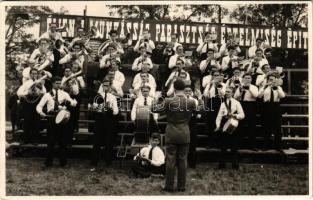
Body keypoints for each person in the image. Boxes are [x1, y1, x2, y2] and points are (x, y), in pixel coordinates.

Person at [153, 80, 197, 192]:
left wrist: (156, 98)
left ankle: (169, 185)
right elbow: (201, 110)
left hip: (172, 133)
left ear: (174, 88)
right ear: (184, 88)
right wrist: (200, 98)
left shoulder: (168, 101)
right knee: (183, 160)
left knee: (170, 161)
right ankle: (181, 186)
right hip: (185, 133)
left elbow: (154, 109)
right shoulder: (191, 102)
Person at [36, 76, 77, 168]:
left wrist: (72, 103)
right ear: (53, 83)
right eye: (57, 83)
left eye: (59, 83)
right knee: (51, 141)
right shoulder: (47, 95)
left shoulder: (64, 94)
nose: (58, 85)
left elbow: (73, 103)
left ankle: (63, 162)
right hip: (51, 119)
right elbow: (39, 106)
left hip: (62, 119)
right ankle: (48, 163)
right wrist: (41, 112)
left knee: (63, 142)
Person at [89, 79, 119, 171]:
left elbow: (116, 111)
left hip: (109, 120)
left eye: (107, 85)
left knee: (108, 142)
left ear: (110, 87)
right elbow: (92, 107)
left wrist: (111, 109)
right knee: (96, 142)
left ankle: (108, 162)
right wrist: (96, 107)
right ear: (102, 86)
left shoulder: (113, 97)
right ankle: (94, 163)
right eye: (104, 85)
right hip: (99, 120)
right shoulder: (97, 96)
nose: (105, 87)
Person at [215, 86, 245, 169]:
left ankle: (235, 165)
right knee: (223, 145)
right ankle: (222, 165)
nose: (227, 93)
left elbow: (242, 115)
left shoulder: (237, 103)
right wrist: (218, 126)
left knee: (234, 146)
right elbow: (219, 116)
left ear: (232, 93)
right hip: (225, 124)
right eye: (226, 92)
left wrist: (235, 115)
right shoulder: (222, 104)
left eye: (229, 92)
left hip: (234, 124)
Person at [17, 68, 47, 144]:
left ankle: (35, 140)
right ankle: (25, 140)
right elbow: (19, 92)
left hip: (37, 103)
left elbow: (45, 92)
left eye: (35, 73)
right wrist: (27, 92)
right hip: (28, 104)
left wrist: (40, 91)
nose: (34, 75)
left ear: (37, 74)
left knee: (36, 122)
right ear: (30, 75)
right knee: (27, 122)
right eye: (32, 73)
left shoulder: (40, 83)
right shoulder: (26, 83)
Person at [258, 73, 286, 149]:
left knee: (277, 127)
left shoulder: (279, 87)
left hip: (276, 106)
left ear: (275, 80)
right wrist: (265, 87)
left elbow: (282, 96)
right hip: (266, 107)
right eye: (270, 79)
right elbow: (259, 96)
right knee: (266, 127)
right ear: (267, 80)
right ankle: (266, 145)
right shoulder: (264, 87)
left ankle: (278, 146)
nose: (271, 80)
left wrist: (276, 88)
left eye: (272, 79)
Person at [233, 73, 259, 150]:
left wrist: (248, 88)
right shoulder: (240, 87)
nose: (247, 80)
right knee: (240, 125)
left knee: (252, 125)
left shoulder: (254, 87)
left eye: (249, 78)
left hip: (251, 105)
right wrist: (240, 91)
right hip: (241, 104)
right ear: (243, 79)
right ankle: (240, 144)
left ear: (251, 79)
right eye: (246, 78)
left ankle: (252, 145)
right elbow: (235, 97)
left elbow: (256, 95)